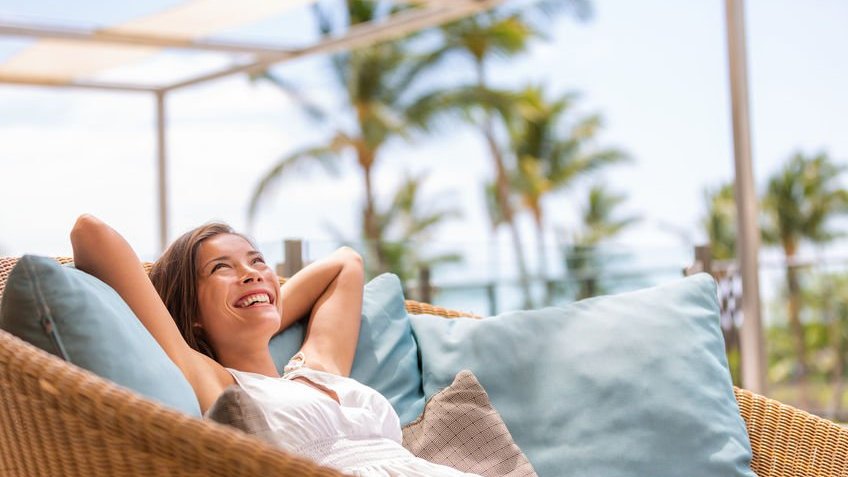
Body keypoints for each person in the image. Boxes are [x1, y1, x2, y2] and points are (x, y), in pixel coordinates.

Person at [70, 214, 479, 477]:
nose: (250, 273)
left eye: (257, 261)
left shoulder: (314, 368)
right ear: (191, 312)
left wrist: (262, 306)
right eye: (221, 269)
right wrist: (248, 309)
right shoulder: (216, 381)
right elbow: (90, 233)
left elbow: (346, 263)